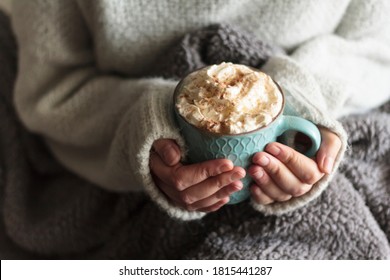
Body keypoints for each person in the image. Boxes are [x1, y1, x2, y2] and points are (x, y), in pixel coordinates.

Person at [11, 0, 390, 220]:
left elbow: (376, 47)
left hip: (338, 113)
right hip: (114, 169)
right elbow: (54, 88)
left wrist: (304, 100)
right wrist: (143, 126)